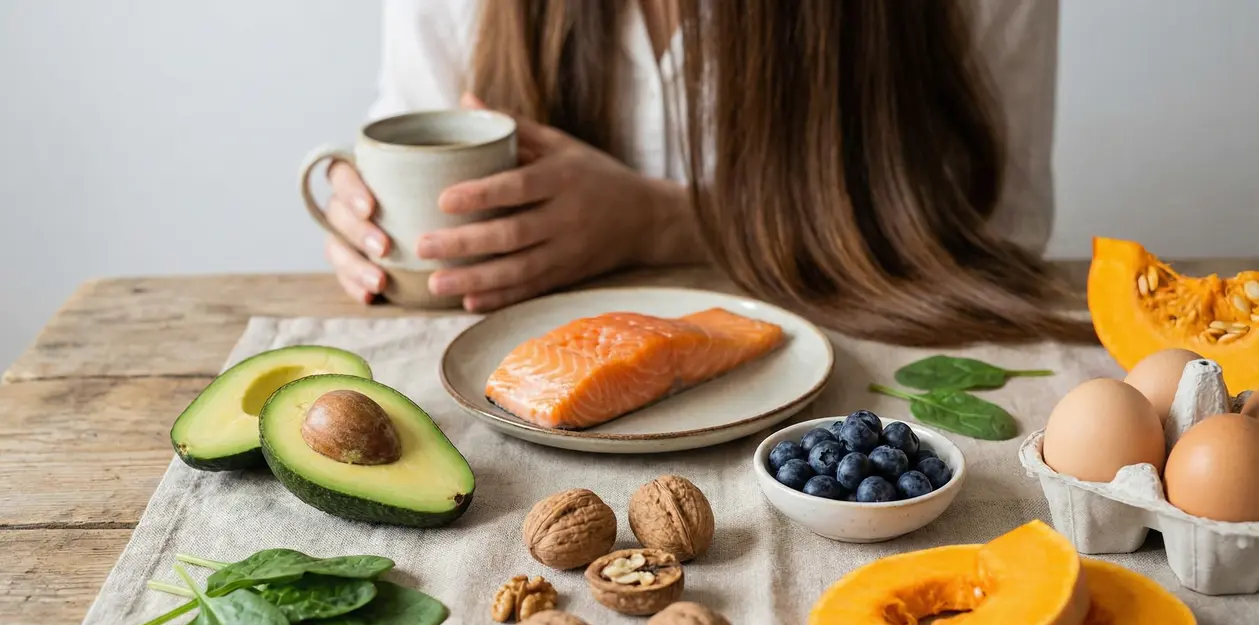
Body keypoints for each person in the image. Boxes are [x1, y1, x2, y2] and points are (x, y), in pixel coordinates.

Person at [320, 0, 1092, 345]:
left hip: (880, 355)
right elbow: (414, 142)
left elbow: (999, 229)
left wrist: (663, 221)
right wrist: (367, 223)